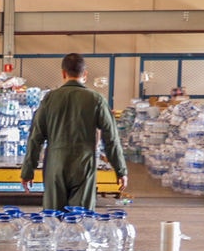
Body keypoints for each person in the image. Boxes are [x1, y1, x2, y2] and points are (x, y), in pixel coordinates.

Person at [20, 52, 129, 209]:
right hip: (83, 165)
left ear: (63, 73)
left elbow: (35, 138)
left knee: (54, 219)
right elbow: (111, 138)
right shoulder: (96, 99)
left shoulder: (50, 99)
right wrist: (120, 170)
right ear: (85, 74)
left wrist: (27, 171)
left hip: (55, 165)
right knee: (81, 220)